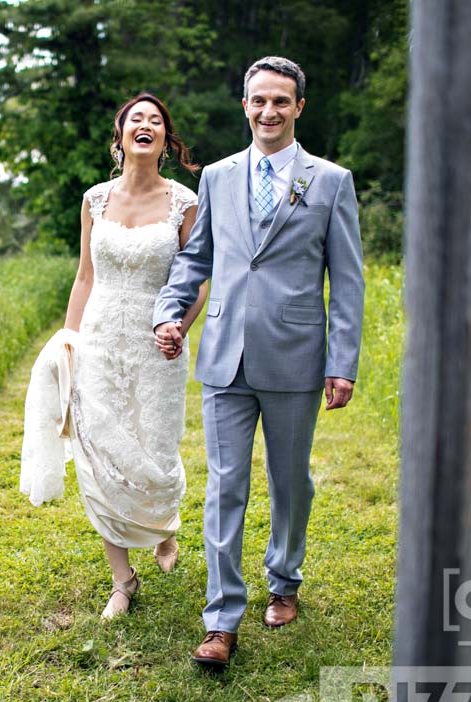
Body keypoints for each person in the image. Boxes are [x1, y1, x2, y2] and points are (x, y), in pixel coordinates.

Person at [153, 57, 365, 670]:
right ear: (244, 105)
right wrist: (169, 314)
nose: (267, 111)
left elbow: (346, 281)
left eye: (280, 101)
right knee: (225, 485)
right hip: (225, 356)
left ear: (299, 107)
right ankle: (221, 619)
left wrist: (342, 361)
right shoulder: (217, 177)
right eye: (257, 101)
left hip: (297, 355)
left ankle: (285, 578)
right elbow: (195, 262)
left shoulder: (330, 181)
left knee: (289, 479)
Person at [23, 92, 207, 620]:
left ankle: (160, 524)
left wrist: (179, 326)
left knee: (155, 450)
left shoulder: (183, 202)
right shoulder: (95, 199)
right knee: (100, 450)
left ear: (165, 141)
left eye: (155, 121)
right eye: (136, 119)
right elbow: (85, 275)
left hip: (156, 341)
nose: (145, 125)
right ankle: (122, 580)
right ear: (122, 135)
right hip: (99, 337)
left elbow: (194, 280)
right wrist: (68, 336)